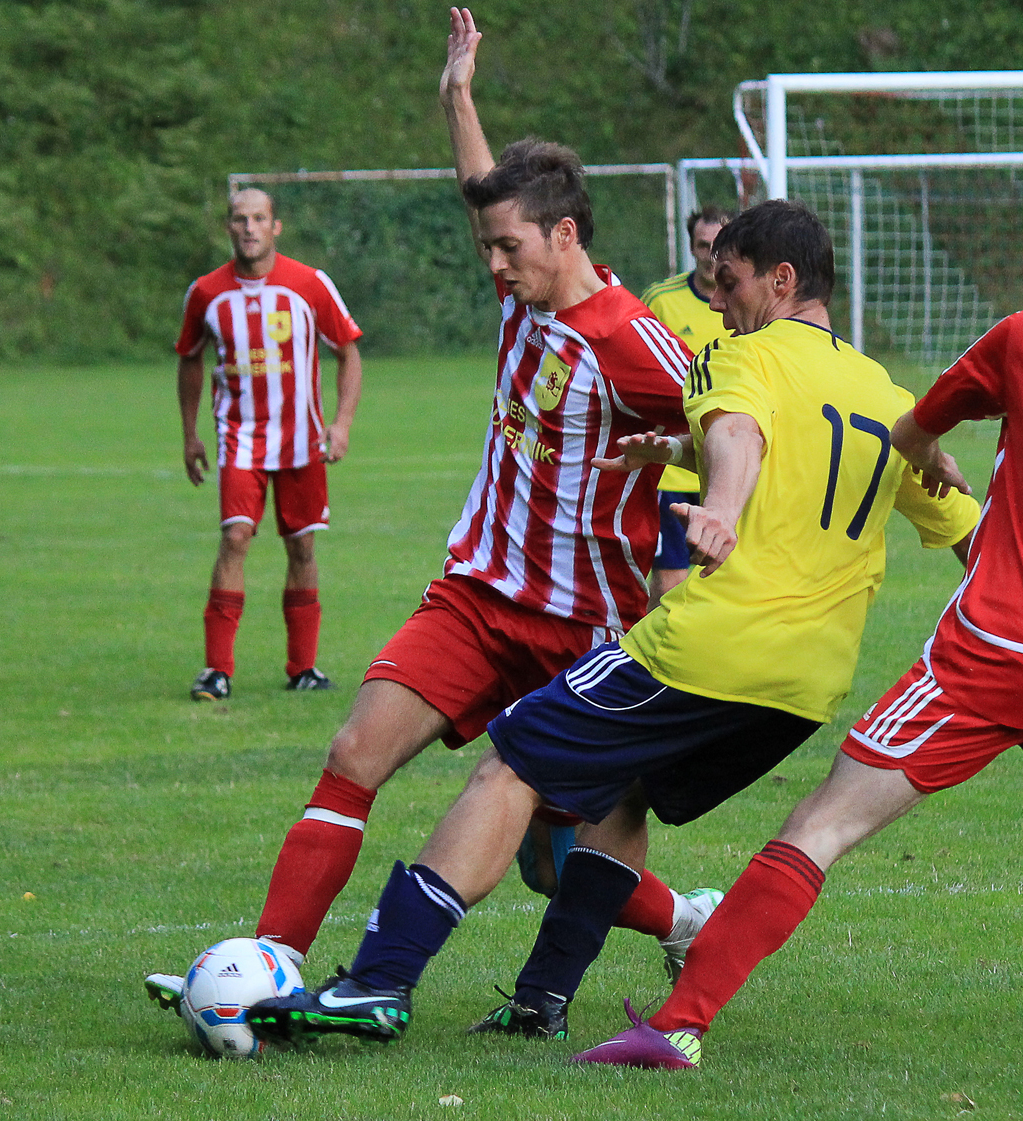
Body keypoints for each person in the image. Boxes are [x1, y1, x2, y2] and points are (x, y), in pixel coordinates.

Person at [573, 169, 1023, 1071]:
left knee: (820, 824)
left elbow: (908, 433)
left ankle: (679, 1023)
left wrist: (933, 453)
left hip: (1001, 644)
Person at [241, 198, 980, 1049]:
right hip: (807, 688)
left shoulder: (741, 356)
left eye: (731, 282)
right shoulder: (888, 396)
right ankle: (540, 1000)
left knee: (511, 765)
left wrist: (722, 505)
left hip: (707, 649)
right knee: (622, 796)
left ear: (782, 280)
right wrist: (674, 453)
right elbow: (966, 526)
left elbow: (742, 433)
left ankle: (379, 980)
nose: (719, 302)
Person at [144, 5, 712, 1016]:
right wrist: (458, 97)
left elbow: (734, 424)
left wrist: (706, 494)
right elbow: (487, 193)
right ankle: (267, 968)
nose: (492, 265)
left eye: (508, 248)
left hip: (581, 628)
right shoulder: (522, 291)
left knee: (554, 861)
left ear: (565, 236)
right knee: (353, 752)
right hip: (475, 593)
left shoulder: (634, 344)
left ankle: (685, 923)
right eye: (489, 247)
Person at [177, 188, 363, 700]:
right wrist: (190, 434)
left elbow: (348, 352)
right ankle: (217, 669)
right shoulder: (206, 293)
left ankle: (303, 667)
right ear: (228, 227)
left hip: (302, 440)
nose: (249, 228)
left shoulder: (309, 284)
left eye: (259, 218)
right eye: (240, 219)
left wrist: (342, 424)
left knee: (301, 546)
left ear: (275, 226)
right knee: (236, 537)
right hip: (239, 439)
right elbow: (189, 358)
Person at [640, 206, 734, 607]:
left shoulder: (748, 302)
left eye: (719, 246)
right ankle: (642, 646)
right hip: (671, 471)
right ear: (691, 247)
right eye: (702, 245)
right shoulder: (662, 300)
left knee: (724, 587)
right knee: (668, 587)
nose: (710, 256)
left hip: (727, 466)